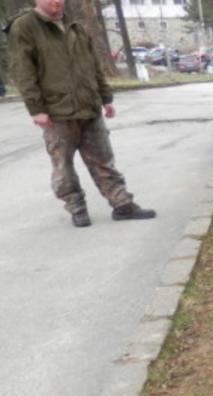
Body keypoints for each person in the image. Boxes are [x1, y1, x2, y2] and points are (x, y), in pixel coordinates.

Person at [7, 0, 156, 228]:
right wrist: (36, 109)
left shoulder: (75, 26)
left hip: (89, 108)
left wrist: (105, 97)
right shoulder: (25, 26)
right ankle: (77, 208)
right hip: (57, 112)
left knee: (104, 160)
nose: (56, 1)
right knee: (63, 166)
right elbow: (22, 70)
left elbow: (93, 65)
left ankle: (122, 204)